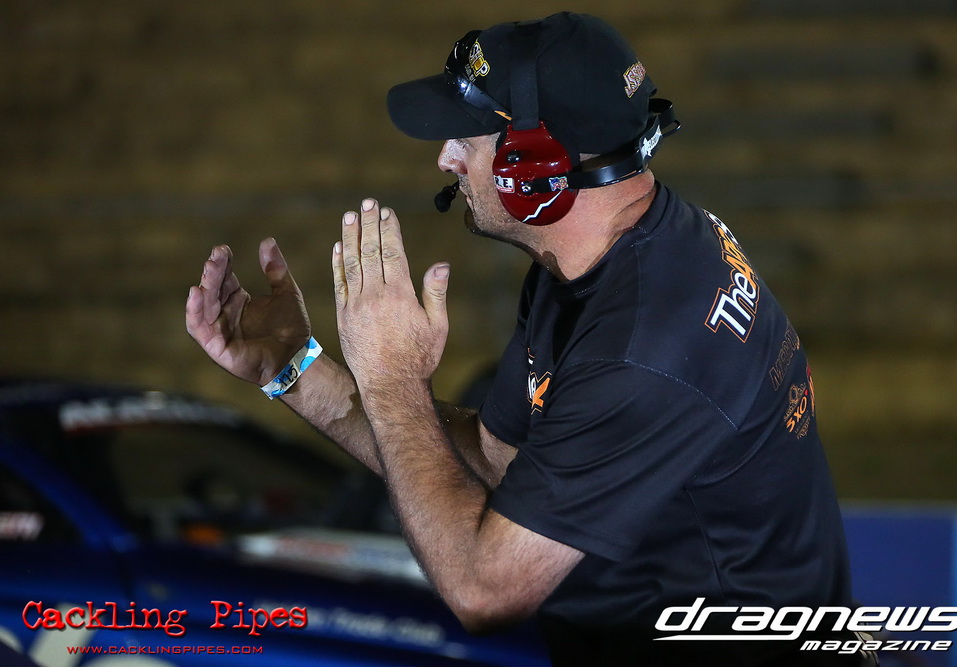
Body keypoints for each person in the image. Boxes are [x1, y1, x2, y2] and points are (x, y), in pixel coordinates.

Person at [186, 12, 875, 666]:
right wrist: (297, 368)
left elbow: (483, 590)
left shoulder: (643, 349)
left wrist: (393, 380)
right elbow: (496, 463)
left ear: (533, 163)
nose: (446, 159)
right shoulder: (600, 265)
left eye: (466, 137)